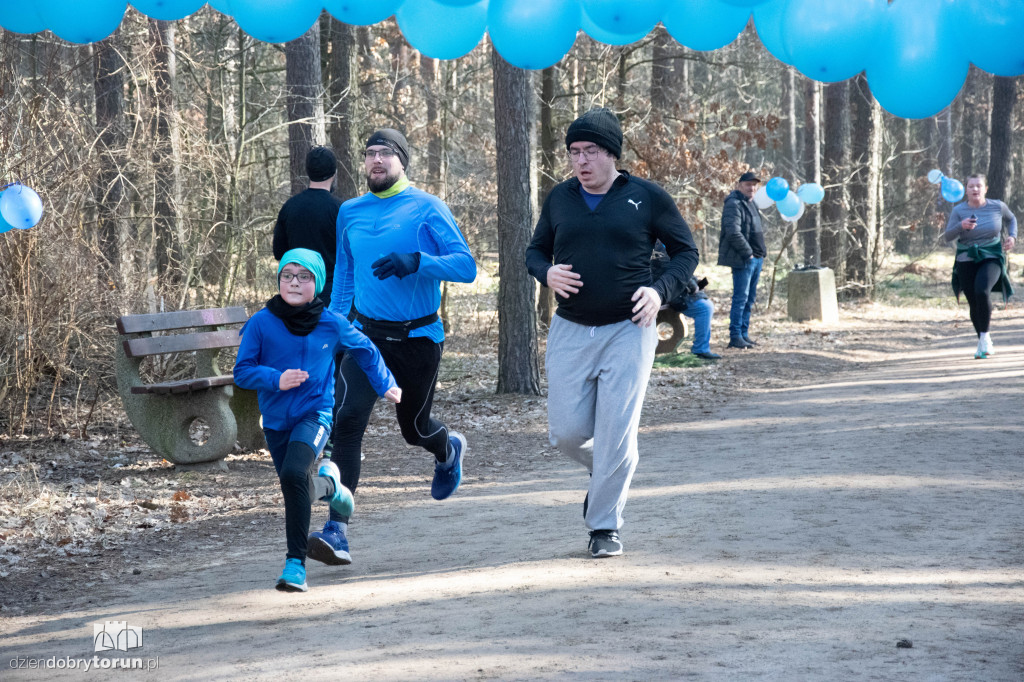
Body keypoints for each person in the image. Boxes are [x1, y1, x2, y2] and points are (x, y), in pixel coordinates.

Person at [525, 108, 699, 558]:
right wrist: (546, 273)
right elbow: (534, 250)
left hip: (630, 327)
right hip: (570, 328)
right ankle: (608, 472)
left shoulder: (647, 197)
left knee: (617, 431)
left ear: (611, 155)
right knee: (565, 433)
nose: (580, 161)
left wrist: (660, 292)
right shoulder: (559, 198)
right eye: (573, 152)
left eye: (590, 151)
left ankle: (604, 526)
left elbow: (686, 252)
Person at [305, 128, 477, 567]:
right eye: (369, 154)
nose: (376, 160)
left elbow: (466, 267)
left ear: (402, 161)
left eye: (385, 153)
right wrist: (335, 328)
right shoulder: (350, 212)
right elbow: (344, 274)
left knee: (414, 430)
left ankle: (447, 450)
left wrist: (417, 262)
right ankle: (337, 529)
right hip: (367, 338)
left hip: (418, 339)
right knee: (347, 422)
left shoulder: (427, 209)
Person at [233, 248, 401, 592]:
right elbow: (242, 372)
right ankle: (332, 489)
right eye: (287, 275)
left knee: (295, 474)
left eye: (304, 276)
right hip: (277, 420)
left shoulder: (332, 323)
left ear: (317, 283)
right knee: (296, 488)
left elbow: (366, 350)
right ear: (279, 279)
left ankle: (295, 565)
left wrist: (386, 384)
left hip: (316, 414)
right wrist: (275, 379)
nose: (294, 282)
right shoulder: (261, 323)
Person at [944, 173, 1017, 359]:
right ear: (966, 190)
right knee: (974, 302)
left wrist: (1012, 236)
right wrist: (961, 225)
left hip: (991, 256)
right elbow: (947, 236)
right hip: (966, 259)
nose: (975, 189)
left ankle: (984, 339)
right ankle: (984, 341)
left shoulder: (997, 206)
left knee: (982, 290)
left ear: (985, 189)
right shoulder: (959, 211)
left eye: (979, 186)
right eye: (971, 186)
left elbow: (1012, 219)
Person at [273, 146, 342, 303]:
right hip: (332, 296)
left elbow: (279, 253)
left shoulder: (289, 207)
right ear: (334, 173)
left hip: (297, 293)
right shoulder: (340, 210)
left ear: (308, 172)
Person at [718, 171, 766, 349]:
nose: (752, 188)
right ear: (740, 185)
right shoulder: (733, 204)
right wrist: (748, 253)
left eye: (754, 185)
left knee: (749, 298)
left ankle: (744, 334)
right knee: (741, 298)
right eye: (748, 184)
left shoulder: (751, 203)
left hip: (756, 259)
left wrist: (760, 253)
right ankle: (735, 336)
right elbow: (733, 232)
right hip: (743, 259)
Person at [651, 247, 719, 360]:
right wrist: (692, 286)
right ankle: (701, 349)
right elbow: (671, 270)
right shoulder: (657, 245)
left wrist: (694, 283)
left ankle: (701, 349)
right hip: (666, 293)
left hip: (671, 290)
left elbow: (683, 266)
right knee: (704, 308)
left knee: (706, 306)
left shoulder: (665, 242)